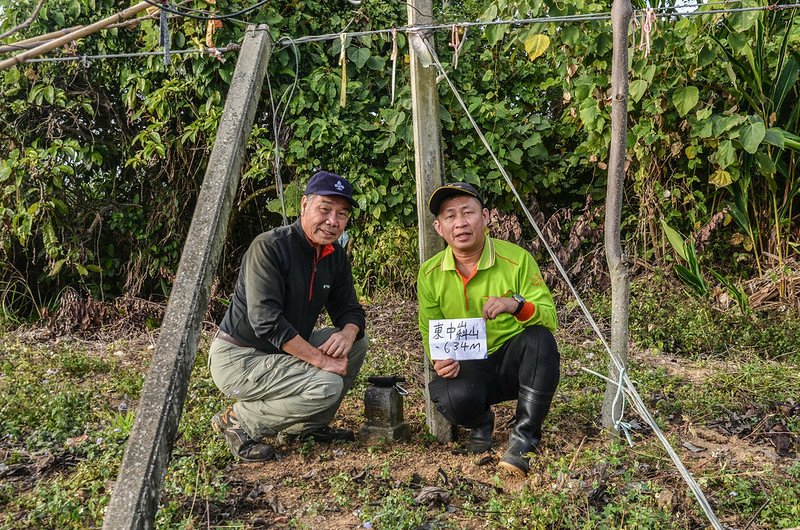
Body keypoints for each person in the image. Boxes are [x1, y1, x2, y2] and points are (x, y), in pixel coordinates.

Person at [209, 171, 369, 462]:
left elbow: (350, 310)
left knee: (357, 342)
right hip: (240, 356)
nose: (333, 221)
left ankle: (306, 428)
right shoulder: (270, 246)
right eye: (325, 209)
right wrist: (321, 360)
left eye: (342, 214)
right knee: (327, 385)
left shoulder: (335, 255)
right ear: (304, 205)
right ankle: (239, 421)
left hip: (283, 351)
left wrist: (347, 334)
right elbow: (266, 320)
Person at [417, 182, 560, 477]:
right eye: (450, 216)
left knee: (540, 339)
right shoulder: (429, 273)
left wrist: (516, 305)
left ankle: (524, 439)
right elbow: (429, 328)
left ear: (486, 217)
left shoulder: (516, 259)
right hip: (471, 366)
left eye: (467, 213)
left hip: (515, 363)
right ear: (438, 228)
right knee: (447, 393)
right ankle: (481, 423)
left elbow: (549, 318)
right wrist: (438, 359)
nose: (460, 223)